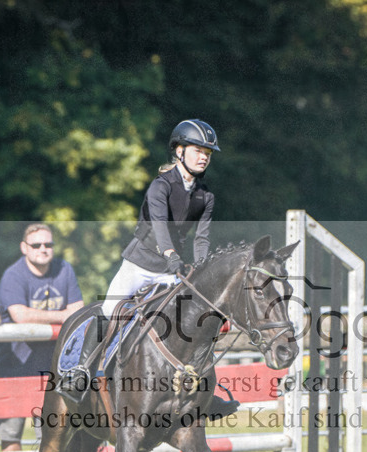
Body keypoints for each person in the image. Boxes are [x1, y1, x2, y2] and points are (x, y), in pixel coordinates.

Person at [58, 119, 237, 419]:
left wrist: (202, 269)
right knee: (109, 310)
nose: (204, 156)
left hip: (172, 269)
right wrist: (170, 256)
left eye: (208, 152)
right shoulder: (161, 186)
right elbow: (160, 226)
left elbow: (202, 239)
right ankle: (80, 373)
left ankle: (205, 391)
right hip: (140, 264)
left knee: (193, 319)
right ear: (179, 151)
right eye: (198, 150)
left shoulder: (206, 196)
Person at [0, 223, 84, 452]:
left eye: (48, 245)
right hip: (13, 366)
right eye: (36, 245)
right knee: (11, 432)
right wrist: (62, 314)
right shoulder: (13, 275)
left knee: (49, 432)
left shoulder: (63, 269)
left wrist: (51, 316)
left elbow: (78, 311)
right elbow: (19, 315)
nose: (43, 250)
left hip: (51, 368)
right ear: (24, 248)